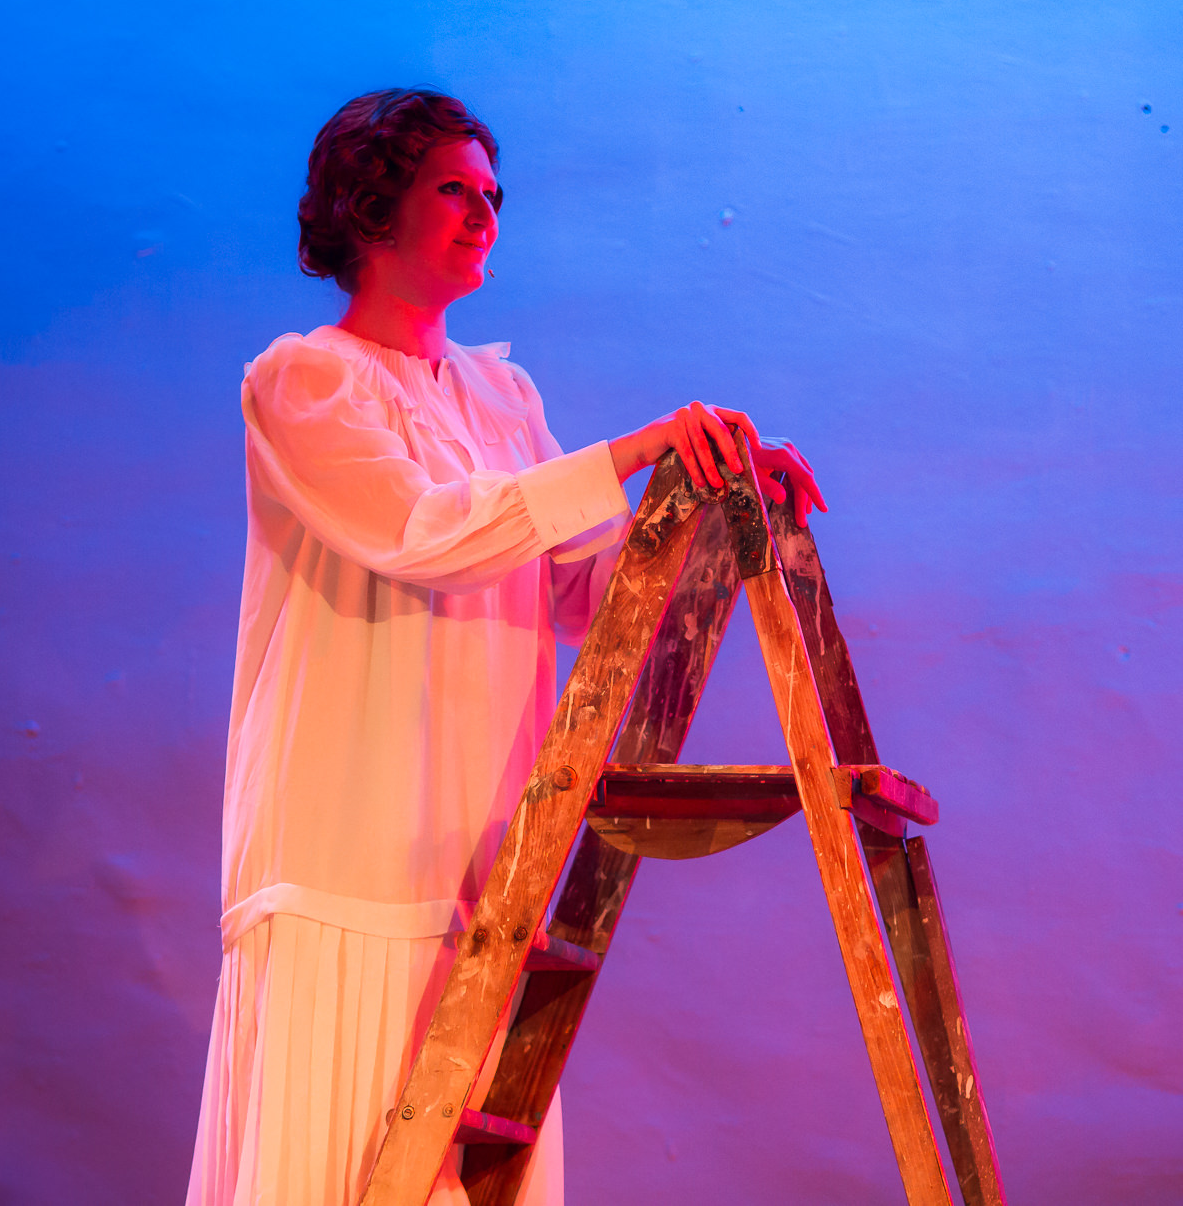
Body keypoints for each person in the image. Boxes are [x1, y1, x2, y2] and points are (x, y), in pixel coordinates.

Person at [184, 88, 825, 1206]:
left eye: (493, 194)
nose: (485, 214)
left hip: (484, 864)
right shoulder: (303, 380)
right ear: (371, 206)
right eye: (454, 190)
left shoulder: (502, 394)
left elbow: (578, 589)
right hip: (349, 865)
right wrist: (635, 448)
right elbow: (427, 535)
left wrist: (713, 504)